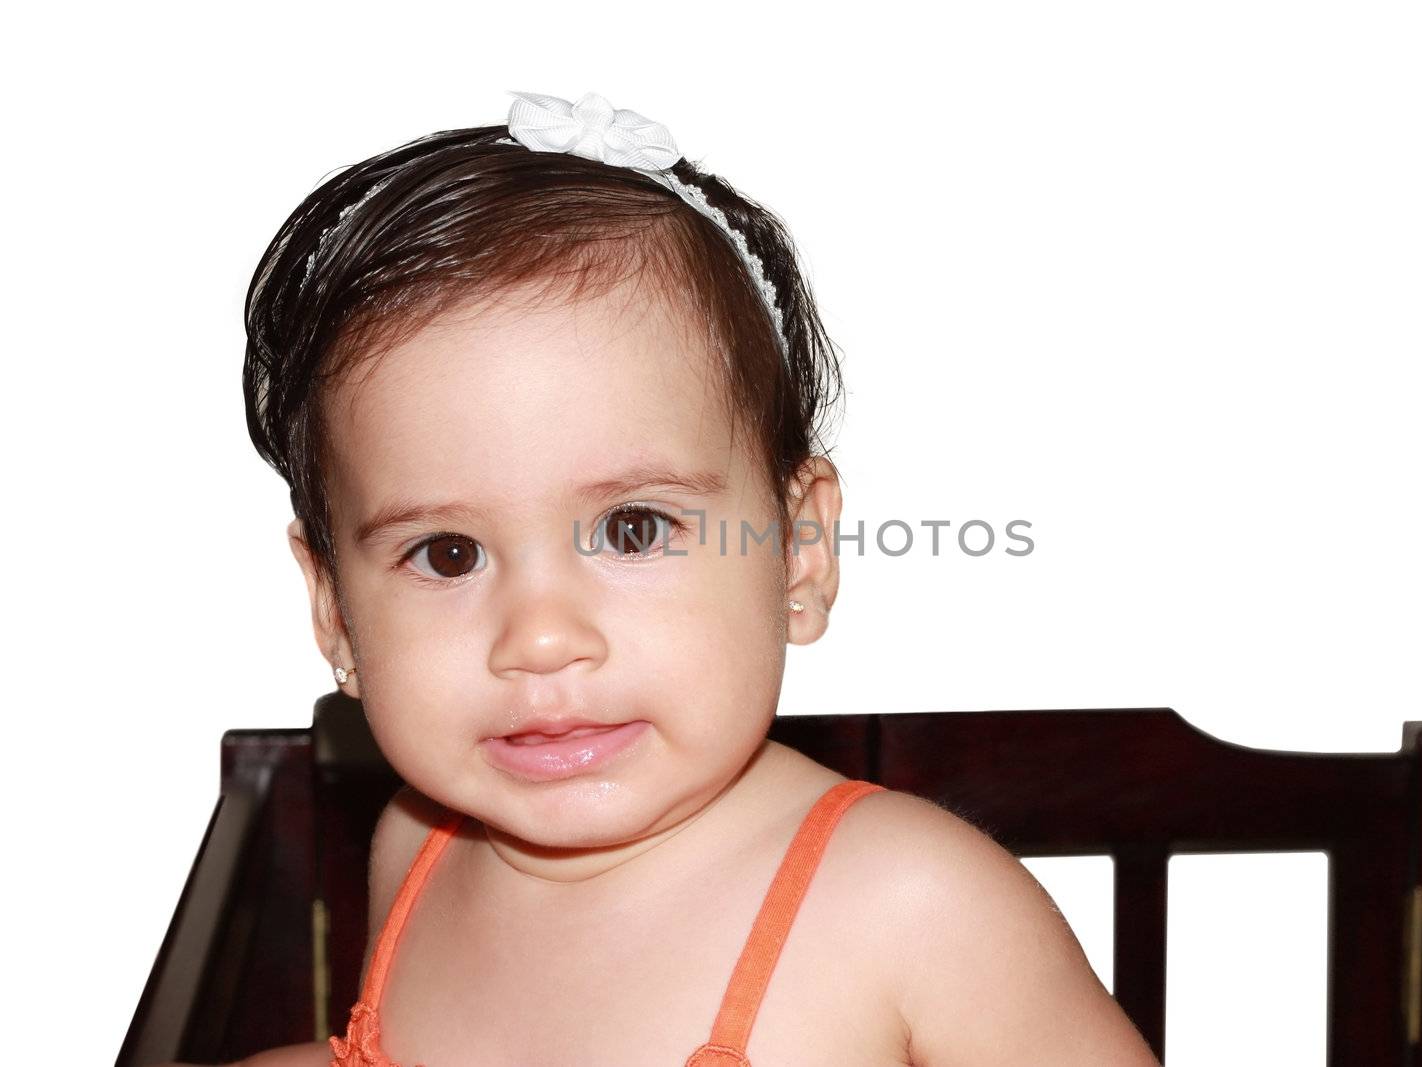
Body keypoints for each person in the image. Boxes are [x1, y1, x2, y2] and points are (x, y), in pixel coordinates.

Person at [163, 89, 1159, 1067]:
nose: (541, 635)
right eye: (447, 553)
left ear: (797, 554)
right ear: (335, 611)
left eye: (633, 528)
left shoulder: (913, 904)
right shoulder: (419, 847)